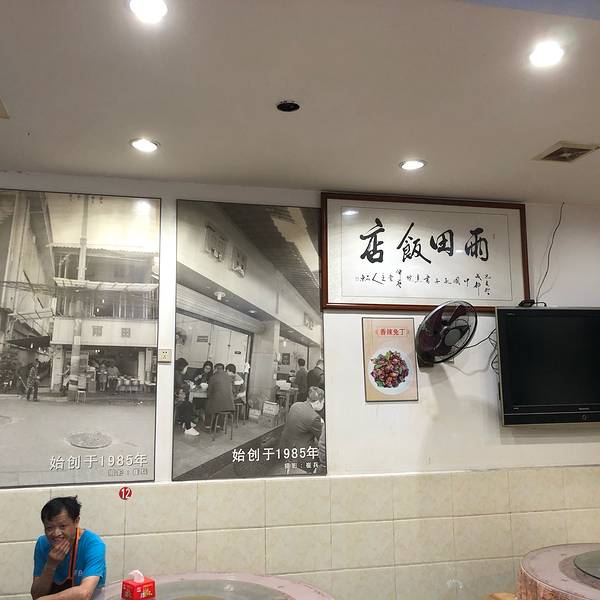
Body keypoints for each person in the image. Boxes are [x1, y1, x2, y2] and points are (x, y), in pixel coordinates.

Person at [31, 496, 105, 599]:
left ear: (76, 521)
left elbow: (84, 593)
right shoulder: (43, 543)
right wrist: (50, 565)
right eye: (49, 528)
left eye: (62, 526)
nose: (56, 533)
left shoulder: (93, 544)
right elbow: (36, 595)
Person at [279, 386, 324, 471]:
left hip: (285, 446)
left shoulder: (295, 405)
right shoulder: (314, 418)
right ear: (318, 402)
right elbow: (321, 439)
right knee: (321, 457)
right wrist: (322, 424)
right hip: (300, 454)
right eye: (323, 402)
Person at [205, 362, 235, 426]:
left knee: (209, 402)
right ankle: (219, 424)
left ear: (215, 369)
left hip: (218, 406)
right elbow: (232, 391)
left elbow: (209, 393)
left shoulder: (213, 377)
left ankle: (208, 425)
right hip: (230, 406)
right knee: (219, 402)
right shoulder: (229, 377)